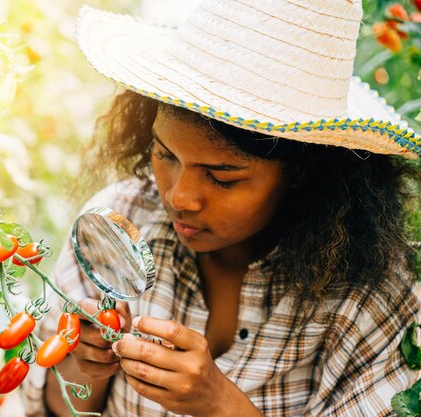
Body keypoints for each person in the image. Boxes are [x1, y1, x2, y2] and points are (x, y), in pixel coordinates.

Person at [23, 1, 421, 416]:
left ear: (302, 170)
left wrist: (219, 403)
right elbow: (56, 408)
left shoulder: (369, 300)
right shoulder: (119, 224)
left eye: (222, 177)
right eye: (165, 155)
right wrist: (84, 365)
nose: (179, 197)